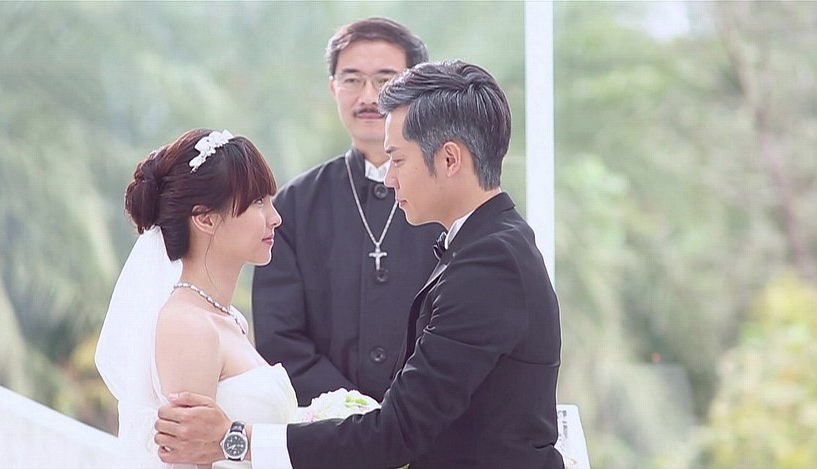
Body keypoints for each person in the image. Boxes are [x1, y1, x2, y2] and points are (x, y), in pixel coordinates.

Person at [155, 60, 564, 469]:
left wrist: (233, 441)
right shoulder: (487, 245)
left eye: (398, 160)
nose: (388, 179)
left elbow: (397, 433)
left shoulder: (489, 264)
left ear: (449, 159)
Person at [252, 17, 441, 405]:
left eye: (386, 79)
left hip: (434, 424)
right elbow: (280, 339)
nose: (369, 96)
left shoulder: (450, 198)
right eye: (352, 79)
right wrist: (354, 413)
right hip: (327, 428)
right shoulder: (293, 206)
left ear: (417, 88)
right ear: (333, 88)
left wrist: (406, 415)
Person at [95, 128, 297, 468]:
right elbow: (188, 459)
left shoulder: (229, 319)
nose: (275, 218)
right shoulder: (188, 325)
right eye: (257, 202)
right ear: (205, 219)